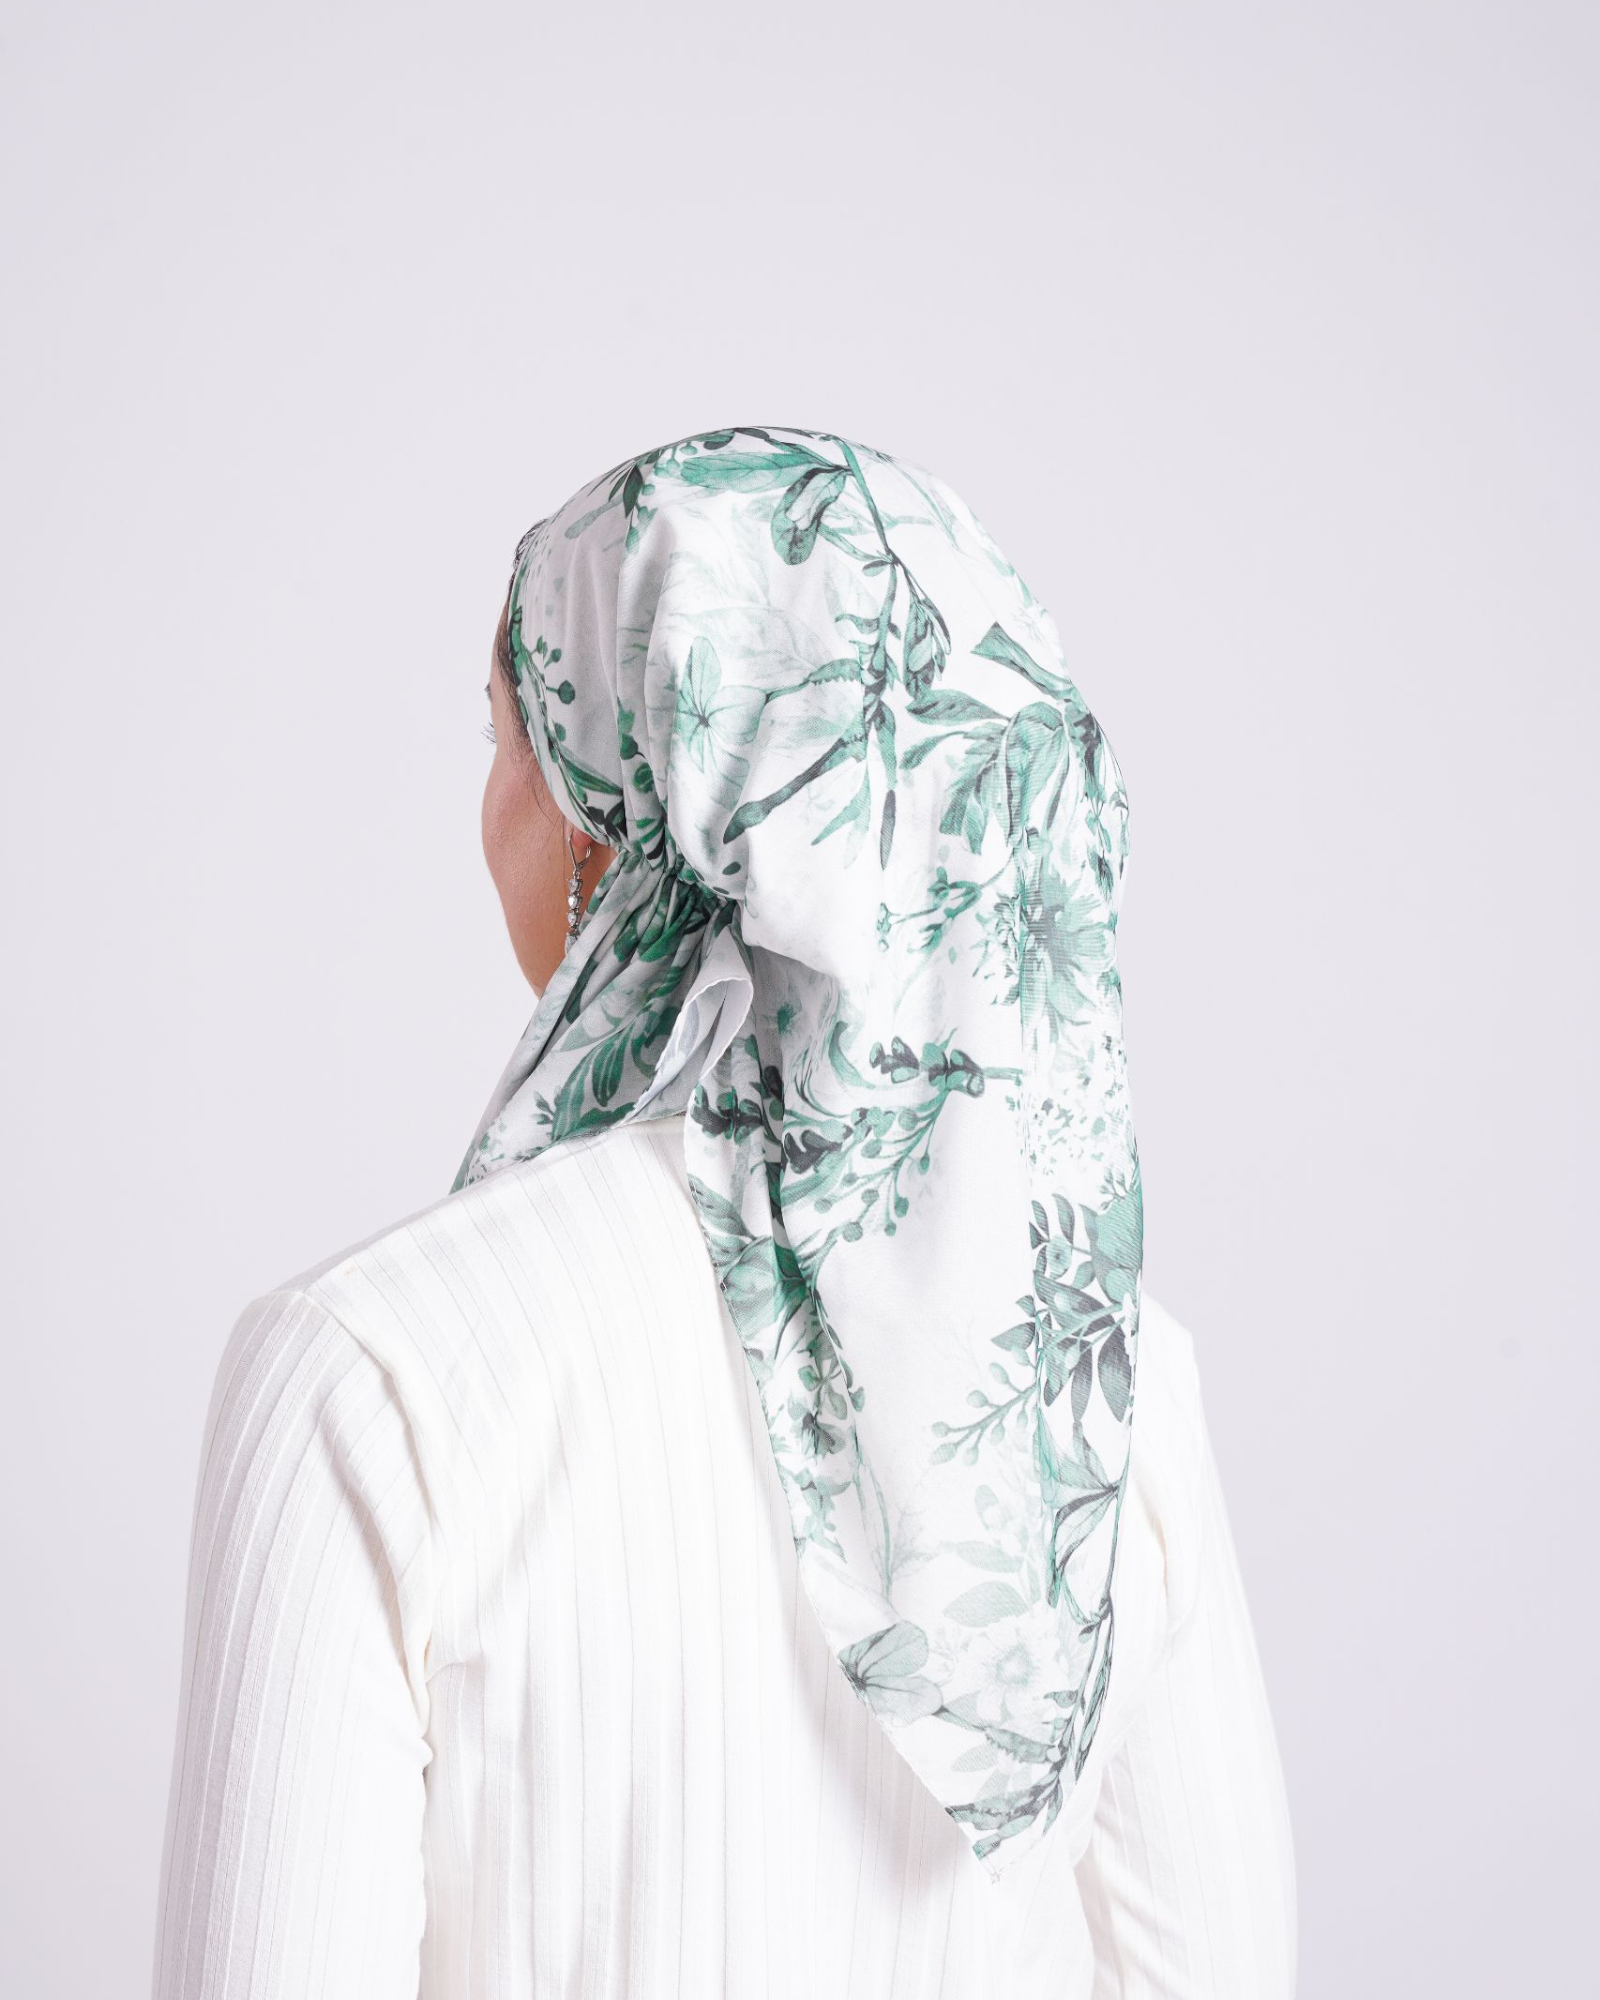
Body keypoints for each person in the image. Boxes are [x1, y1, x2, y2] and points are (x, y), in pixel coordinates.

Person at [151, 426, 1297, 1998]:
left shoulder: (369, 1373)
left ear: (627, 804)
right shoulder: (1116, 1378)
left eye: (504, 735)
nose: (488, 805)